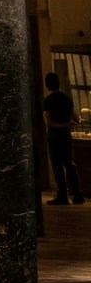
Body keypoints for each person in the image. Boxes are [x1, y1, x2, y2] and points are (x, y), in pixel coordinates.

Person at [43, 70, 83, 206]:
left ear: (47, 85)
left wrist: (61, 124)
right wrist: (70, 123)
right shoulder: (67, 98)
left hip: (54, 136)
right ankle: (78, 194)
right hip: (66, 135)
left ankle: (62, 195)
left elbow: (48, 123)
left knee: (57, 165)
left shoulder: (47, 101)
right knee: (70, 164)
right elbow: (76, 118)